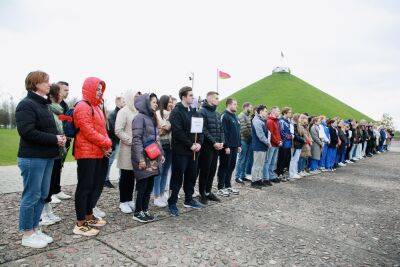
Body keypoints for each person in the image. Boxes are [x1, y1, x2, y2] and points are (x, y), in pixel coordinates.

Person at [16, 71, 67, 248]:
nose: (49, 84)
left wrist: (58, 138)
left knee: (43, 194)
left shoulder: (44, 104)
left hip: (47, 156)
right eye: (46, 81)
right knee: (31, 195)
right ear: (36, 84)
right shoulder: (26, 104)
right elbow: (27, 132)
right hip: (32, 157)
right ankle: (26, 233)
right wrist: (54, 139)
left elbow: (46, 130)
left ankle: (35, 228)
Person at [73, 77, 111, 236]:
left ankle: (88, 215)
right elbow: (87, 130)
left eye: (101, 89)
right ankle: (80, 223)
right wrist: (106, 142)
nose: (99, 91)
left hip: (98, 153)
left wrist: (104, 145)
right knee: (85, 187)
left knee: (95, 186)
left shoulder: (96, 107)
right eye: (97, 89)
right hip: (86, 153)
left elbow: (101, 130)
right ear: (88, 89)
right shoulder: (82, 106)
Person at [168, 87, 204, 216]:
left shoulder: (195, 112)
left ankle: (189, 199)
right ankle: (172, 202)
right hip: (181, 151)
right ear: (183, 97)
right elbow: (178, 132)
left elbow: (200, 130)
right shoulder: (176, 112)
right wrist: (190, 145)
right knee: (177, 177)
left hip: (194, 152)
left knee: (191, 176)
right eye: (190, 95)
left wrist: (199, 143)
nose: (192, 98)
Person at [131, 93, 164, 222]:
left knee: (149, 184)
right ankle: (137, 212)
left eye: (157, 102)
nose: (156, 104)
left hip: (153, 157)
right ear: (146, 102)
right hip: (143, 157)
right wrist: (141, 159)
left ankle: (145, 209)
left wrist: (161, 154)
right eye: (154, 102)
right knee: (142, 185)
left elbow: (157, 139)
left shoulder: (152, 117)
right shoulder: (139, 118)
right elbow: (137, 140)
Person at [40, 84, 68, 226]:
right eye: (60, 92)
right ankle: (43, 214)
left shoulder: (58, 110)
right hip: (50, 150)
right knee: (46, 184)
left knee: (51, 183)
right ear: (53, 95)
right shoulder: (48, 109)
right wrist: (57, 138)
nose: (63, 95)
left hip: (58, 151)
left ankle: (48, 211)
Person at [45, 81, 72, 204]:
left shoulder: (64, 105)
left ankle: (56, 189)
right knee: (53, 168)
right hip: (54, 141)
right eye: (65, 90)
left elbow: (66, 120)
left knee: (59, 167)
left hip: (64, 141)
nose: (67, 92)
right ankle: (50, 192)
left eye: (67, 90)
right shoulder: (49, 105)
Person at [197, 92, 224, 204]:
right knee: (205, 170)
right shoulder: (202, 112)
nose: (218, 100)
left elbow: (221, 129)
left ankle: (208, 192)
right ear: (210, 99)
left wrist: (222, 142)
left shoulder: (217, 114)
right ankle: (202, 193)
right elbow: (203, 129)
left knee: (212, 170)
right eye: (216, 98)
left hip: (217, 147)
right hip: (207, 147)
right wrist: (213, 142)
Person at [114, 90, 139, 213]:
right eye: (135, 96)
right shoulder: (123, 111)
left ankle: (129, 199)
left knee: (133, 175)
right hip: (127, 149)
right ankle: (123, 201)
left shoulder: (139, 111)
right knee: (125, 175)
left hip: (138, 150)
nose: (137, 99)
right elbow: (118, 130)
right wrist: (131, 140)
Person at [217, 98, 241, 196]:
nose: (236, 106)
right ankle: (220, 187)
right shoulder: (225, 116)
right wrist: (226, 146)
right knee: (224, 166)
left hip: (235, 146)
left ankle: (228, 185)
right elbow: (223, 132)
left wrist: (239, 144)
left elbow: (238, 132)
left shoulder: (235, 116)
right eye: (235, 104)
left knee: (231, 166)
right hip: (227, 147)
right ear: (229, 105)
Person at [153, 95, 173, 207]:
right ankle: (156, 196)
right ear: (164, 102)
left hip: (170, 146)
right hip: (161, 146)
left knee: (165, 172)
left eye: (171, 102)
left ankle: (161, 194)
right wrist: (169, 125)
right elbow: (162, 127)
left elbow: (167, 127)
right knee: (158, 172)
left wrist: (167, 126)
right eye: (169, 102)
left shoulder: (171, 114)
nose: (171, 104)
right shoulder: (157, 113)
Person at [105, 96, 126, 188]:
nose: (124, 103)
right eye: (123, 101)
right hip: (114, 142)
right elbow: (114, 130)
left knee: (121, 160)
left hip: (119, 141)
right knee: (110, 161)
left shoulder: (120, 113)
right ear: (117, 102)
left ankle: (121, 178)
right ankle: (105, 179)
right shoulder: (114, 114)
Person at [250, 105, 271, 188]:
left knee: (261, 164)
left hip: (262, 146)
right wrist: (268, 142)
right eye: (265, 111)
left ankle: (258, 179)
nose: (266, 113)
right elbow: (260, 135)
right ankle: (254, 181)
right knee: (257, 164)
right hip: (258, 145)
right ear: (261, 111)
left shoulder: (261, 120)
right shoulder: (257, 121)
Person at [235, 102, 253, 183]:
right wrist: (251, 137)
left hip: (248, 140)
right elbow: (244, 130)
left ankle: (243, 175)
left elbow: (250, 128)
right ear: (246, 107)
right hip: (243, 140)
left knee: (246, 159)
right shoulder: (241, 115)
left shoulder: (248, 116)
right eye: (250, 107)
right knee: (241, 159)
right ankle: (237, 176)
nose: (251, 109)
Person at [265, 107, 282, 183]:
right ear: (274, 111)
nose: (279, 112)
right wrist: (278, 141)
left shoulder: (276, 121)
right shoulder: (270, 121)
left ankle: (271, 176)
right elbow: (270, 134)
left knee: (273, 161)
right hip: (272, 145)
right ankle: (266, 177)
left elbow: (278, 133)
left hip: (276, 145)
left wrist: (280, 140)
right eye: (278, 111)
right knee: (268, 161)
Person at [276, 107, 293, 180]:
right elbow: (282, 132)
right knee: (282, 159)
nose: (290, 114)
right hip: (283, 143)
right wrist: (290, 136)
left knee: (287, 159)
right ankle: (280, 174)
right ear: (285, 113)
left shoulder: (288, 121)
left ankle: (285, 173)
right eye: (289, 112)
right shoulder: (281, 121)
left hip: (288, 143)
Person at [288, 113, 304, 179]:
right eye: (300, 118)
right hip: (295, 145)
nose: (301, 119)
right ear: (297, 118)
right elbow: (295, 136)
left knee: (296, 160)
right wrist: (303, 140)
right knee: (293, 160)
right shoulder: (293, 126)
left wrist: (302, 140)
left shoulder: (297, 126)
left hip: (299, 145)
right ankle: (292, 173)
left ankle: (295, 172)